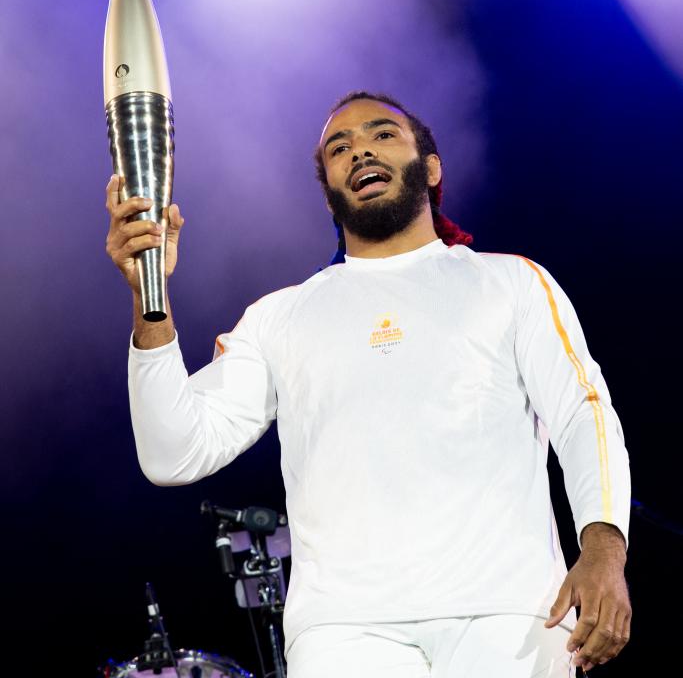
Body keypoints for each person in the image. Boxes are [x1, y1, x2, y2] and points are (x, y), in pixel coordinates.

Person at [106, 91, 631, 678]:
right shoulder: (279, 318)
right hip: (343, 631)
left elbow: (584, 413)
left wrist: (604, 549)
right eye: (339, 147)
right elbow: (172, 453)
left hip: (508, 615)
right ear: (328, 187)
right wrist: (149, 299)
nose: (359, 152)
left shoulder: (513, 283)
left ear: (430, 167)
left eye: (382, 135)